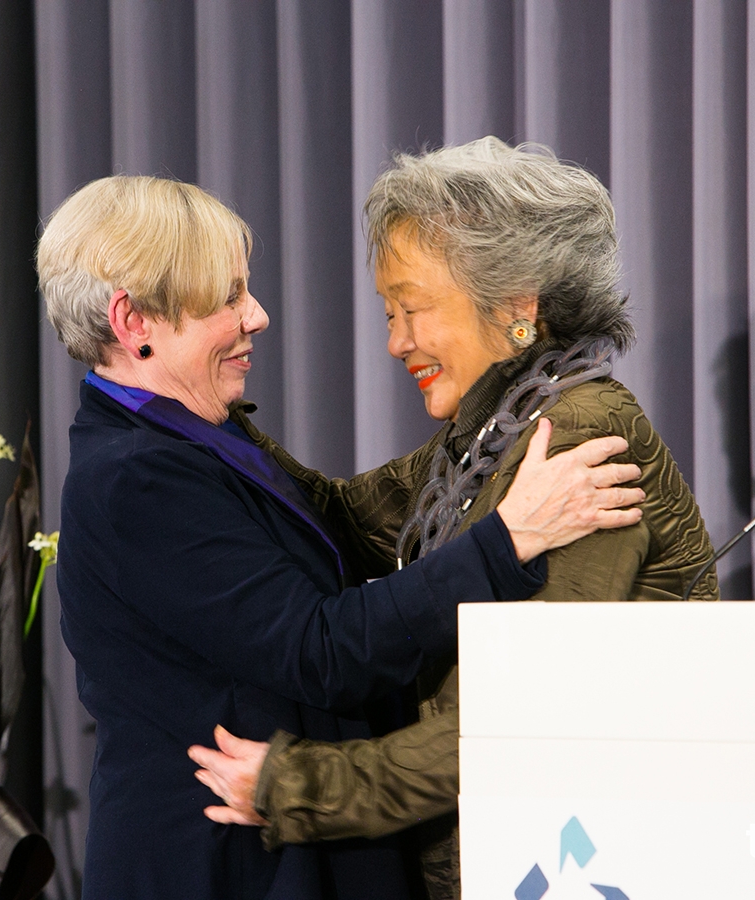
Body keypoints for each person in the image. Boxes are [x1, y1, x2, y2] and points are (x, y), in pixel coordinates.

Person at [37, 174, 645, 900]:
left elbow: (354, 513)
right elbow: (322, 652)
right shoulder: (136, 478)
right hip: (226, 866)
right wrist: (509, 539)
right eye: (228, 297)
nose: (257, 315)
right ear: (134, 322)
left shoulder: (189, 437)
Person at [188, 138, 720, 900]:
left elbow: (521, 719)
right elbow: (336, 517)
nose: (395, 341)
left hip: (580, 862)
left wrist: (295, 786)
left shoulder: (576, 436)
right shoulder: (486, 436)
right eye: (387, 312)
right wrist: (204, 409)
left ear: (516, 306)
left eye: (411, 308)